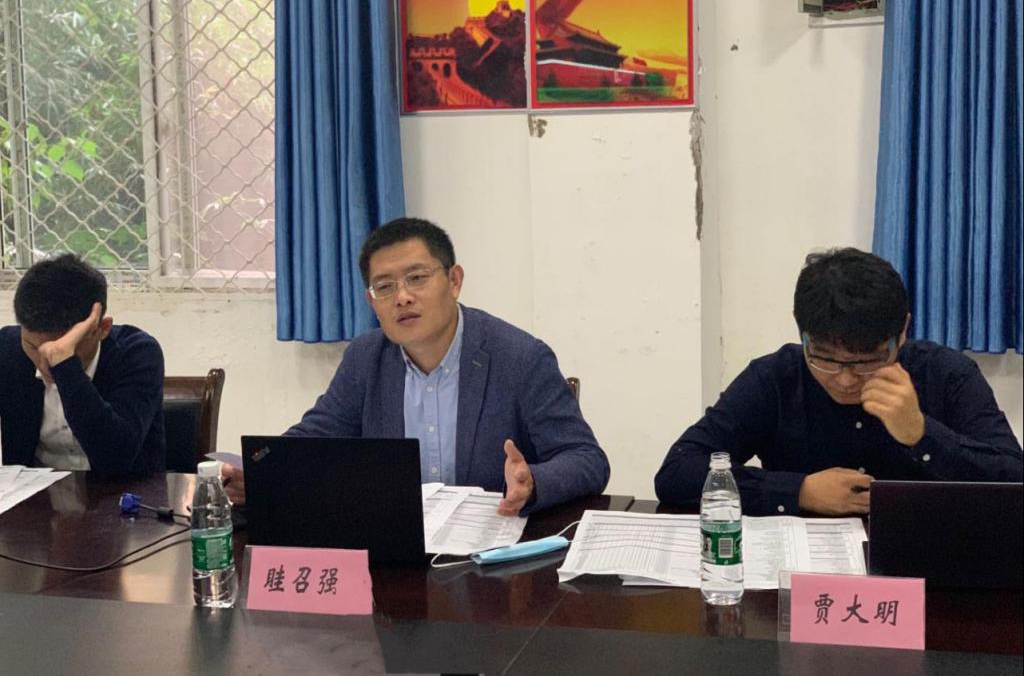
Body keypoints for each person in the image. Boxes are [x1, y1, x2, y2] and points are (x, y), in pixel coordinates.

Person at [223, 218, 609, 515]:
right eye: (385, 287)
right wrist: (260, 473)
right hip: (397, 547)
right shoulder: (365, 357)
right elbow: (316, 436)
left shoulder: (520, 358)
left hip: (494, 554)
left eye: (417, 278)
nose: (403, 297)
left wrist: (532, 481)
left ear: (454, 281)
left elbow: (586, 459)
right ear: (371, 301)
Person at [655, 248, 1022, 516]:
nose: (846, 379)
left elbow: (1014, 481)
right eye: (825, 358)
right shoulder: (775, 377)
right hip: (800, 572)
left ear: (902, 332)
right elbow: (678, 472)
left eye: (867, 360)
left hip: (926, 564)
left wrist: (921, 435)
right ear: (802, 334)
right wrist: (798, 491)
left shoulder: (947, 373)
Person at [0, 254, 165, 476]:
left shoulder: (137, 353)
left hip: (121, 491)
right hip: (33, 493)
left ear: (102, 328)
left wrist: (66, 366)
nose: (44, 363)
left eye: (64, 347)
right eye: (32, 347)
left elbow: (116, 456)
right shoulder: (8, 349)